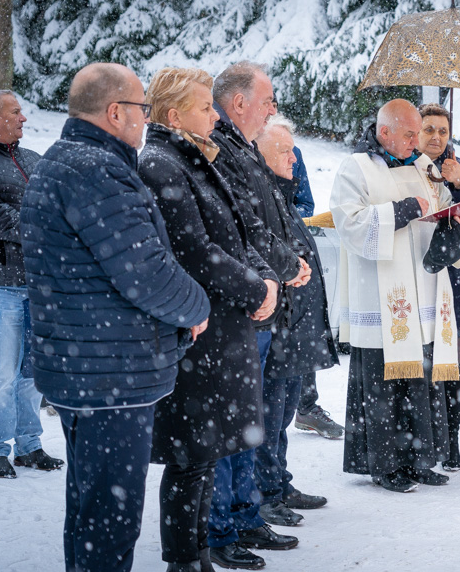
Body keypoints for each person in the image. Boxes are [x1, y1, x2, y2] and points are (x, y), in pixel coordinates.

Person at [20, 63, 210, 572]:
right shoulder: (95, 170)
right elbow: (144, 272)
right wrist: (197, 306)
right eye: (142, 108)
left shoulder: (64, 161)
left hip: (85, 366)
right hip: (110, 375)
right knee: (110, 514)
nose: (146, 119)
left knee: (89, 505)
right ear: (114, 112)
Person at [138, 67, 281, 572]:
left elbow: (240, 233)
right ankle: (185, 559)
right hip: (199, 331)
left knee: (205, 456)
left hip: (224, 326)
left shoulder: (198, 157)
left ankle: (197, 552)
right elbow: (194, 251)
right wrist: (254, 288)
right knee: (190, 456)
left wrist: (266, 281)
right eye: (205, 107)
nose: (215, 115)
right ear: (175, 116)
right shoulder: (161, 162)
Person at [331, 98, 460, 493]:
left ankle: (420, 458)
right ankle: (385, 465)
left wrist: (454, 222)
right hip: (381, 297)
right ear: (384, 131)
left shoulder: (425, 167)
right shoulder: (356, 167)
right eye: (410, 133)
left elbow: (443, 207)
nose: (417, 140)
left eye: (418, 132)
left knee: (420, 382)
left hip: (423, 294)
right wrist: (402, 209)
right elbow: (349, 222)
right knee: (383, 385)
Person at [205, 61, 309, 564]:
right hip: (238, 303)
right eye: (266, 99)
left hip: (259, 299)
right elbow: (244, 229)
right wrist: (286, 266)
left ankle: (246, 514)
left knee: (250, 419)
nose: (272, 107)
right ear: (239, 102)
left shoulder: (242, 147)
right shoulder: (220, 149)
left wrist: (286, 265)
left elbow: (267, 220)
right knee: (230, 423)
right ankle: (222, 527)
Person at [0, 90, 63, 478]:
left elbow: (57, 204)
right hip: (1, 282)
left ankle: (29, 446)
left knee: (33, 371)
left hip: (39, 282)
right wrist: (47, 224)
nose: (23, 117)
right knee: (2, 371)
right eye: (15, 111)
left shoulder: (32, 160)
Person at [254, 113, 339, 526]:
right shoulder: (261, 198)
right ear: (261, 155)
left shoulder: (282, 196)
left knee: (284, 411)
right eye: (285, 152)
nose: (294, 158)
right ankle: (265, 493)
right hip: (278, 327)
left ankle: (278, 482)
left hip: (297, 327)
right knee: (269, 416)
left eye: (293, 149)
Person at [270, 94, 344, 440]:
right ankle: (302, 408)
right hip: (273, 265)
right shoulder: (252, 162)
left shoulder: (292, 153)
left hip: (297, 250)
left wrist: (290, 220)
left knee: (304, 330)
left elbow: (305, 202)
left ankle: (307, 406)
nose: (291, 155)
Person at [416, 102, 460, 471]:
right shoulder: (404, 170)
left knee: (452, 362)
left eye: (442, 130)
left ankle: (451, 440)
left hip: (454, 282)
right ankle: (424, 437)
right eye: (429, 129)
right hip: (415, 278)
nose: (436, 137)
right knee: (419, 362)